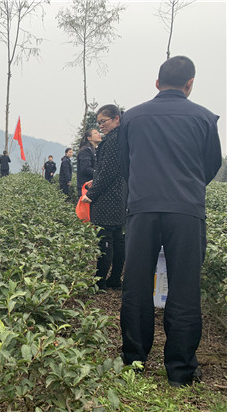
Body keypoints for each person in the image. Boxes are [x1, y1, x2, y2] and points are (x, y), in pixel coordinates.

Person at [117, 56, 222, 387]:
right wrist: (185, 190)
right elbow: (210, 165)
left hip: (142, 209)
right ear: (190, 83)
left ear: (157, 82)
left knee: (136, 285)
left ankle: (133, 361)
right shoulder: (204, 118)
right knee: (184, 287)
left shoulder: (132, 117)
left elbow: (125, 164)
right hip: (186, 211)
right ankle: (181, 370)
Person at [81, 106, 126, 290]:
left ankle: (100, 283)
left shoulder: (113, 140)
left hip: (108, 198)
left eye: (103, 121)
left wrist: (91, 195)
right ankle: (114, 280)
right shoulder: (120, 138)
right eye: (98, 122)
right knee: (118, 239)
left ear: (116, 119)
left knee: (106, 241)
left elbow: (108, 172)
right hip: (118, 196)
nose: (101, 126)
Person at [76, 128, 101, 198]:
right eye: (95, 133)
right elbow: (85, 168)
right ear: (89, 138)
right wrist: (99, 174)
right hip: (86, 188)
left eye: (98, 132)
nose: (99, 134)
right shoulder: (86, 150)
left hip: (92, 186)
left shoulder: (94, 150)